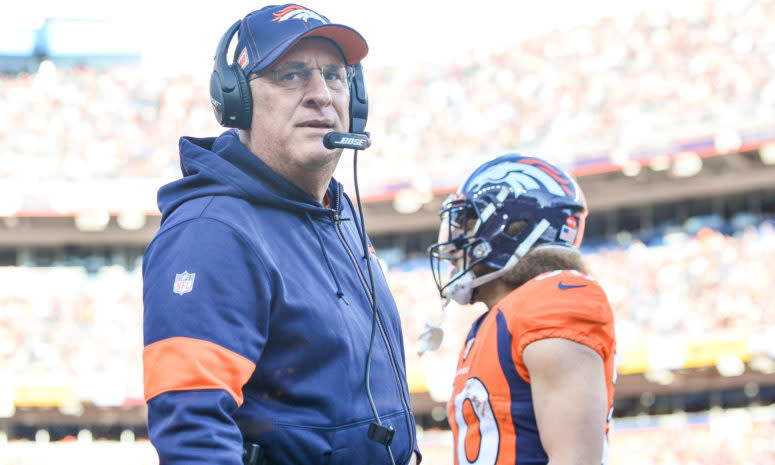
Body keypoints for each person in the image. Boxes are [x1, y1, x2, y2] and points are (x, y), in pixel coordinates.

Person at [141, 4, 419, 464]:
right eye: (291, 75)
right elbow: (195, 438)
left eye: (334, 75)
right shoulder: (211, 231)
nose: (321, 94)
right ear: (236, 101)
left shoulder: (339, 211)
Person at [428, 154, 617, 465]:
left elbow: (575, 459)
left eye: (467, 223)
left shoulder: (553, 299)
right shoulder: (496, 319)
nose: (451, 246)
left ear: (512, 228)